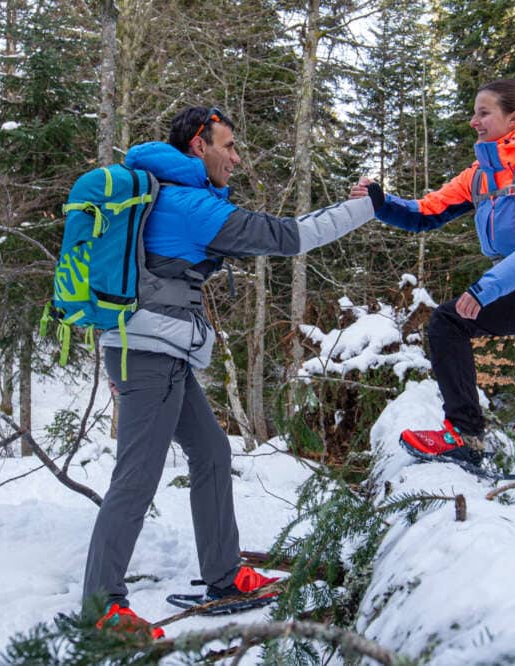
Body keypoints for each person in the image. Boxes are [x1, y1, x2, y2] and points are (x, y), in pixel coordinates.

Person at [84, 106, 376, 638]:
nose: (237, 159)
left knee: (213, 450)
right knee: (138, 475)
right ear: (200, 146)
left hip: (154, 349)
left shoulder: (172, 195)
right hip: (149, 354)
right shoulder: (186, 204)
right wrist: (365, 209)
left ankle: (222, 576)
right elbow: (288, 237)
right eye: (230, 146)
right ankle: (101, 608)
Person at [350, 79, 515, 520]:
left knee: (447, 322)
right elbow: (425, 212)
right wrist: (378, 202)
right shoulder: (483, 173)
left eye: (484, 112)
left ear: (513, 120)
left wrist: (485, 289)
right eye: (474, 112)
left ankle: (464, 433)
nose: (473, 121)